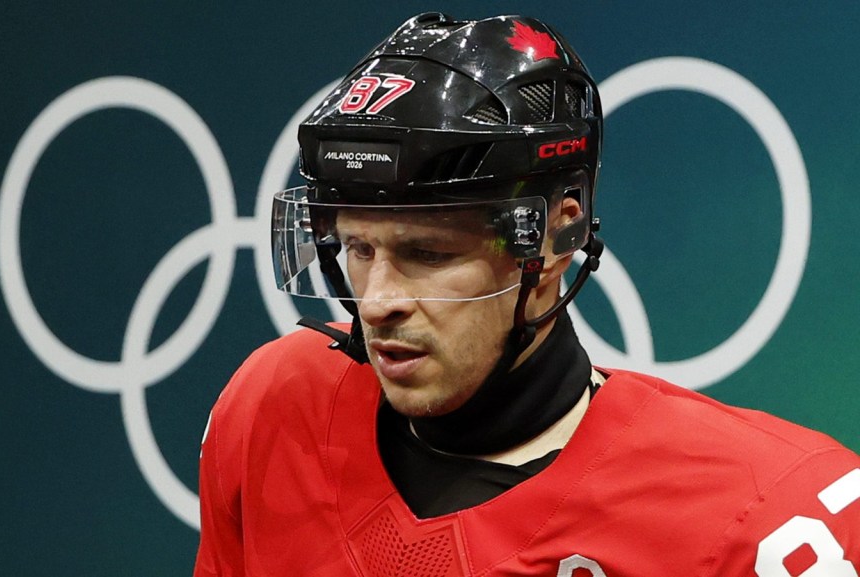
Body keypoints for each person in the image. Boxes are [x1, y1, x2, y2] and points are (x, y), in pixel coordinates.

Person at [195, 12, 860, 576]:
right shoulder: (274, 409)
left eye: (429, 253)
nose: (377, 301)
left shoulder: (769, 516)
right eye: (358, 248)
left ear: (556, 235)